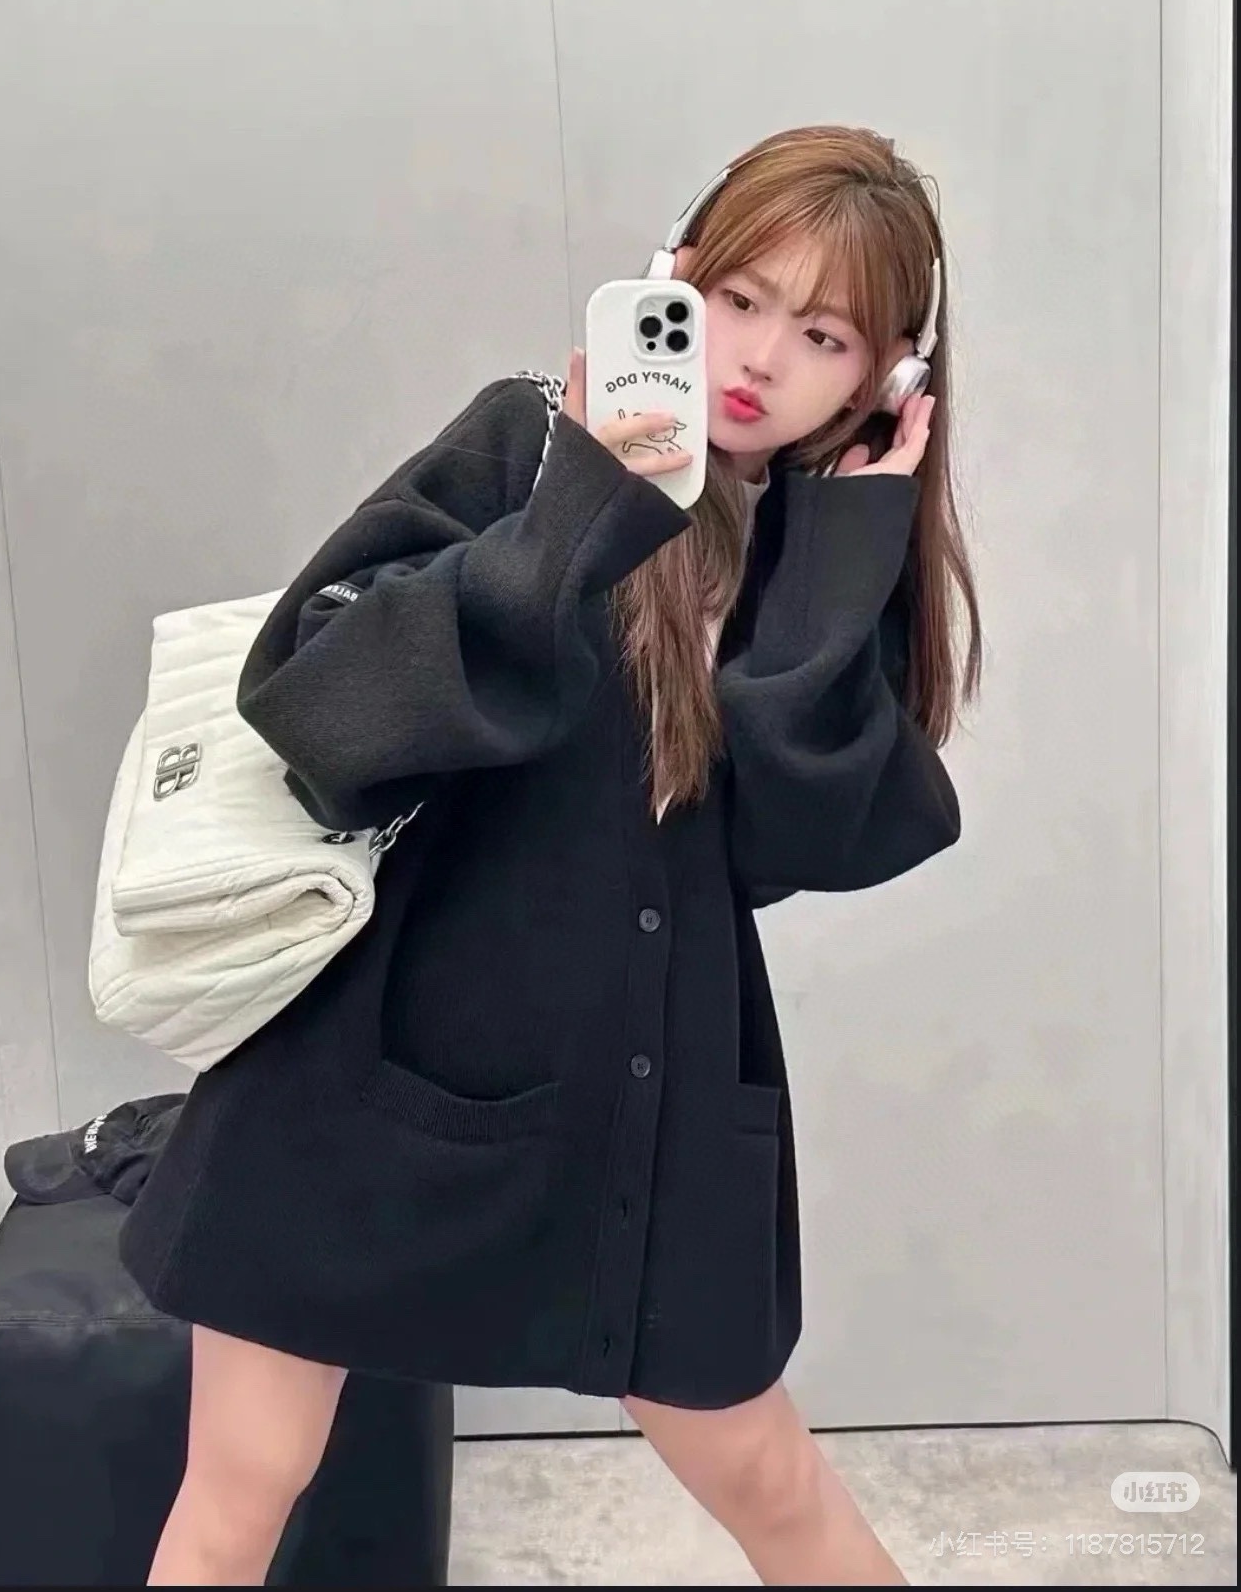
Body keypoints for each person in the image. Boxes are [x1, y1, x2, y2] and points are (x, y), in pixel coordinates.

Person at [122, 124, 982, 1586]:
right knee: (244, 1482)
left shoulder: (824, 553)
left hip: (642, 1099)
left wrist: (840, 562)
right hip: (359, 1082)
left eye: (824, 334)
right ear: (673, 277)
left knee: (769, 1478)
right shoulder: (530, 443)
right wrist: (587, 500)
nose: (759, 357)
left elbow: (789, 835)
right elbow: (320, 701)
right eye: (740, 297)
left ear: (885, 380)